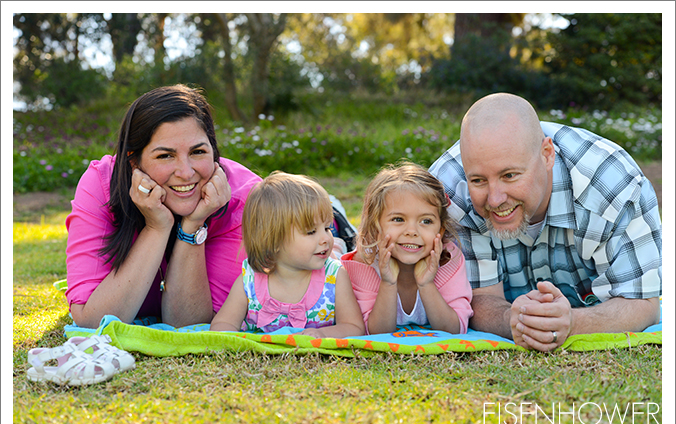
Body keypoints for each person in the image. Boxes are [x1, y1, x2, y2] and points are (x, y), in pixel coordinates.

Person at [429, 92, 662, 352]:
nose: (494, 199)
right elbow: (478, 297)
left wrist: (573, 323)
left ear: (547, 154)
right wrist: (511, 321)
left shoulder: (613, 184)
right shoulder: (446, 194)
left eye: (509, 175)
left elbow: (642, 301)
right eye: (478, 180)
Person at [65, 85, 262, 329]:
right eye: (165, 156)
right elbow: (91, 321)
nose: (186, 173)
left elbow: (191, 324)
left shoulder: (246, 201)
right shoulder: (102, 186)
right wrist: (156, 227)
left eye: (198, 151)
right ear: (134, 161)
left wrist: (193, 226)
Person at [210, 172, 366, 338]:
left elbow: (354, 327)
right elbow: (224, 323)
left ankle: (339, 243)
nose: (325, 238)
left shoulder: (335, 276)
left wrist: (322, 333)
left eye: (327, 228)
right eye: (311, 231)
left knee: (335, 249)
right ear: (273, 240)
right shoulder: (250, 279)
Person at [340, 162, 473, 335]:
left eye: (426, 221)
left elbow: (454, 330)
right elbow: (375, 333)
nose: (411, 231)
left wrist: (426, 284)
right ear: (375, 226)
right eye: (398, 219)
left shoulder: (449, 261)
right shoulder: (364, 264)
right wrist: (388, 283)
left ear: (440, 231)